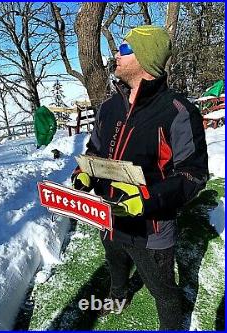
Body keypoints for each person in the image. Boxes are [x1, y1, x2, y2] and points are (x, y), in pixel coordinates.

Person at [72, 25, 209, 330]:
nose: (115, 57)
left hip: (153, 228)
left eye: (123, 50)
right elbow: (95, 149)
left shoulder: (178, 111)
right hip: (109, 217)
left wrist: (148, 198)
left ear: (145, 60)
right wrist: (85, 173)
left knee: (163, 291)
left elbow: (193, 174)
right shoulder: (108, 107)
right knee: (115, 266)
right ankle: (118, 296)